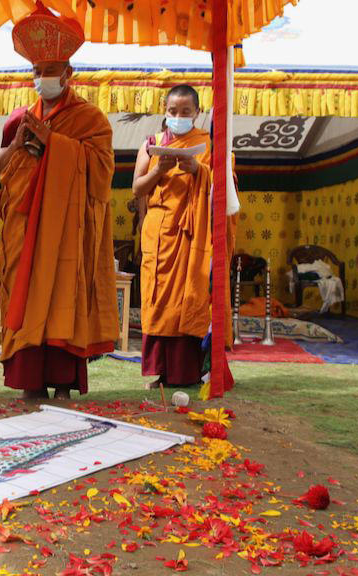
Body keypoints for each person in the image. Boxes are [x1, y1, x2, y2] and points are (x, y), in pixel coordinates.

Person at [0, 4, 117, 400]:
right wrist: (17, 144)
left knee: (64, 294)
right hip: (25, 226)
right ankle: (30, 382)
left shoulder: (90, 118)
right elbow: (0, 169)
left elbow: (101, 175)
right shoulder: (20, 118)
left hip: (65, 230)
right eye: (37, 71)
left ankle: (63, 382)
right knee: (26, 295)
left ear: (69, 73)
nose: (42, 78)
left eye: (50, 70)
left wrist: (54, 144)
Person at [132, 84, 233, 389]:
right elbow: (138, 187)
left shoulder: (207, 144)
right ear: (165, 111)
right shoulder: (151, 144)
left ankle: (189, 373)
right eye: (173, 111)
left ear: (197, 113)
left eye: (186, 112)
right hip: (159, 235)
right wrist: (158, 170)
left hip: (192, 238)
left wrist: (198, 171)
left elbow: (227, 187)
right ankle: (162, 373)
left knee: (189, 299)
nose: (178, 117)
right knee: (159, 302)